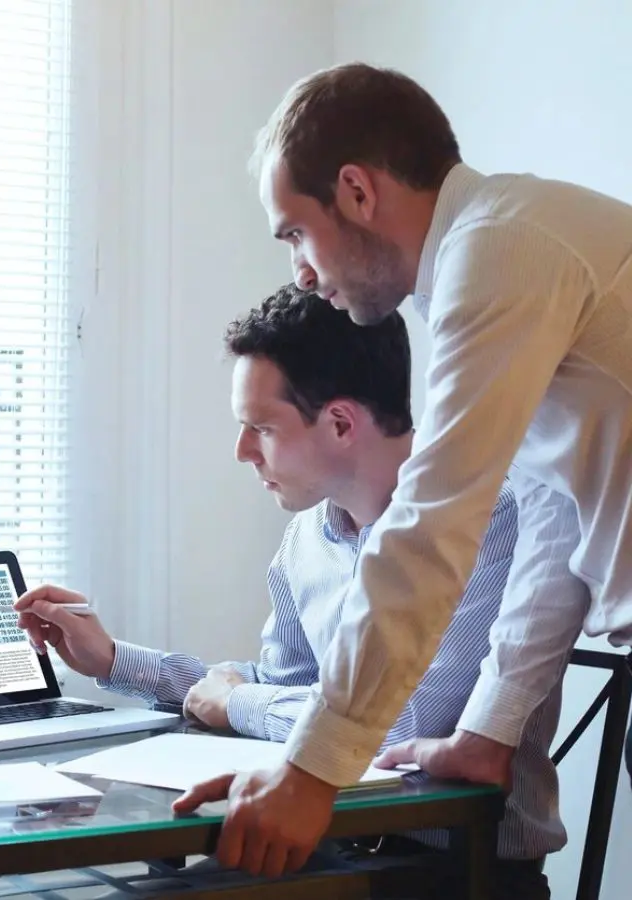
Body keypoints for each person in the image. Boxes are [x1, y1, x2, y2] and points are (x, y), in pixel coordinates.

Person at [174, 61, 632, 877]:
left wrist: (313, 771)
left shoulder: (500, 251)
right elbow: (555, 521)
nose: (301, 274)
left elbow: (430, 527)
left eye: (294, 234)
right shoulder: (493, 258)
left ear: (355, 191)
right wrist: (488, 735)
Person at [16, 286, 562, 897]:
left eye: (261, 428)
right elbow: (284, 694)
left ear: (339, 423)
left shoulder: (491, 517)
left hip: (456, 872)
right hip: (318, 845)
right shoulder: (306, 538)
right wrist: (115, 660)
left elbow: (393, 729)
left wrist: (242, 702)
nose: (242, 451)